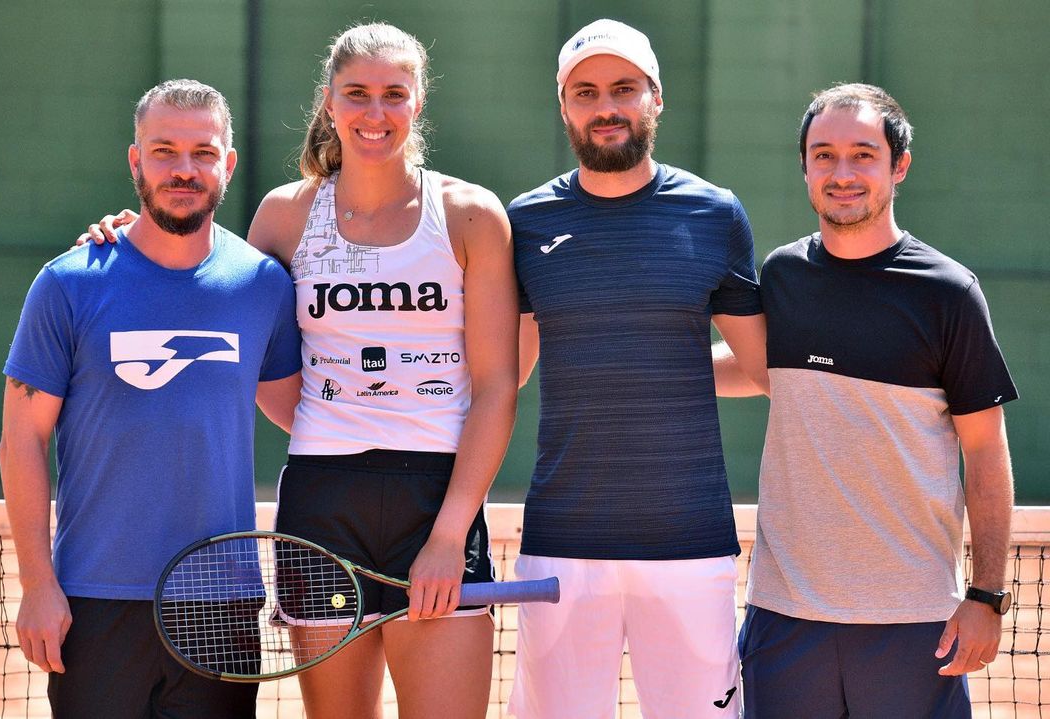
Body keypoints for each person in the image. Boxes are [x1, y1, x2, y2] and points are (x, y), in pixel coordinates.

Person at [81, 23, 518, 719]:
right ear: (329, 101)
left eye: (394, 95)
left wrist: (447, 534)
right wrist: (119, 235)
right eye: (357, 94)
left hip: (437, 501)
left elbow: (498, 386)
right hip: (322, 504)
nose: (375, 113)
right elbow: (209, 292)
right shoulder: (286, 216)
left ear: (418, 101)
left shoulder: (469, 215)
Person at [0, 79, 302, 719]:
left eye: (203, 152)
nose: (184, 170)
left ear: (228, 164)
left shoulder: (263, 286)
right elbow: (22, 439)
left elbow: (309, 415)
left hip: (221, 605)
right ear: (135, 161)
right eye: (164, 151)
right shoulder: (68, 284)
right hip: (96, 600)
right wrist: (36, 585)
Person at [509, 19, 768, 718]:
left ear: (657, 98)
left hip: (692, 545)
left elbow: (761, 368)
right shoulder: (525, 223)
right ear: (564, 107)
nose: (606, 107)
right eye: (585, 92)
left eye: (624, 88)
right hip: (562, 548)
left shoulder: (715, 215)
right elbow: (509, 373)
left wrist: (665, 363)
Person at [738, 83, 1017, 718]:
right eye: (824, 154)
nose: (842, 173)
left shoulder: (949, 294)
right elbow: (761, 370)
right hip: (785, 619)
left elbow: (985, 451)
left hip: (916, 624)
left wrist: (987, 596)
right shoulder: (781, 276)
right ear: (804, 166)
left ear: (899, 165)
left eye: (863, 154)